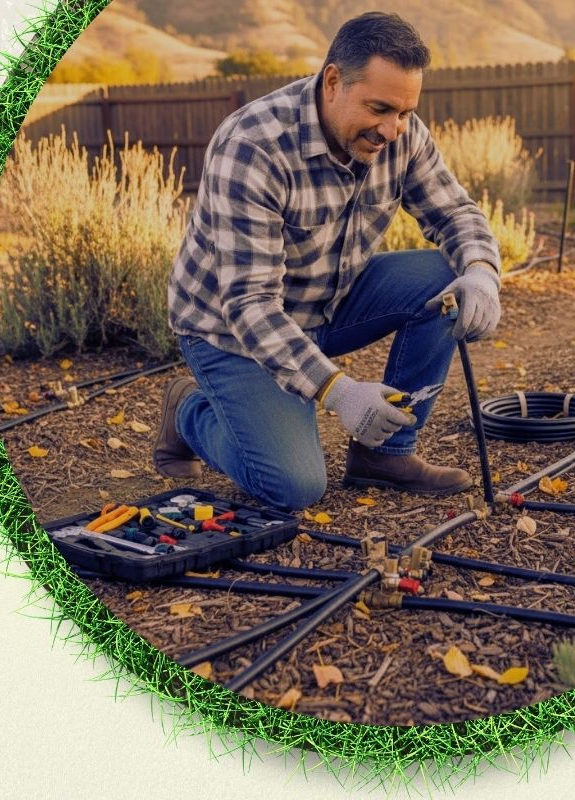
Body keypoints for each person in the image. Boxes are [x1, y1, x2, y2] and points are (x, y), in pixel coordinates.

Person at [153, 12, 501, 510]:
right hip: (232, 331)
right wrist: (340, 392)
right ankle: (188, 410)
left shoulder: (402, 133)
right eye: (380, 108)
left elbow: (455, 213)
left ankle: (385, 455)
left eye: (404, 112)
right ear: (333, 81)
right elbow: (250, 305)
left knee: (450, 275)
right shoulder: (253, 147)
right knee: (293, 487)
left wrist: (483, 274)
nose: (391, 130)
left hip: (329, 302)